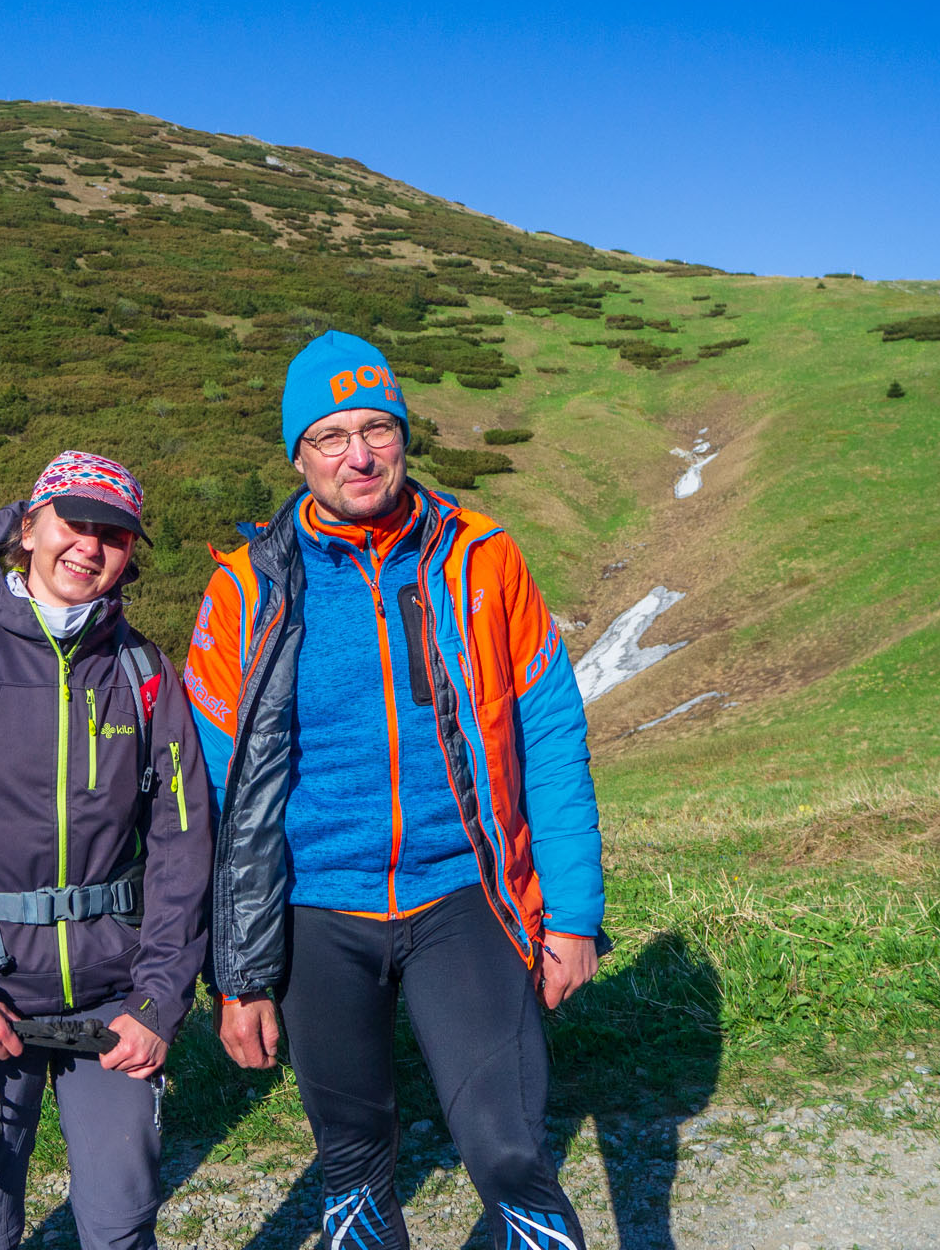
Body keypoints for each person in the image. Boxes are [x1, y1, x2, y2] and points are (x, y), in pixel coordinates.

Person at [183, 331, 606, 1250]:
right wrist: (236, 973)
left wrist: (571, 915)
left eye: (378, 428)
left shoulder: (483, 560)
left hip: (464, 894)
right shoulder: (247, 587)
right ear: (298, 456)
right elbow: (216, 798)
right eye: (332, 437)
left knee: (511, 1159)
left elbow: (553, 741)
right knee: (356, 1170)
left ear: (407, 438)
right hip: (314, 910)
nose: (360, 454)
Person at [0, 452, 214, 1250]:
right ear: (29, 528)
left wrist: (158, 1003)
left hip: (114, 1006)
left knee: (120, 1226)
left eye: (115, 535)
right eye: (74, 523)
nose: (90, 547)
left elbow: (182, 851)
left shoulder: (147, 675)